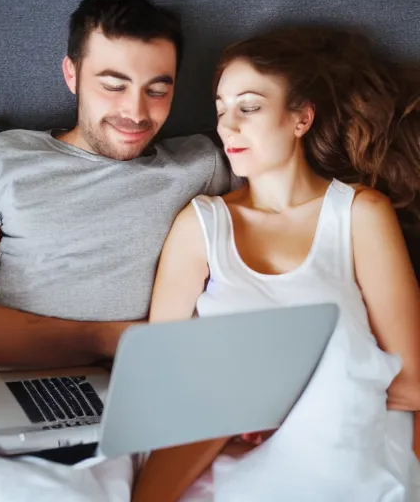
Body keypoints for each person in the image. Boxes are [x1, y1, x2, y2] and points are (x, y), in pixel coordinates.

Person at [0, 0, 234, 500]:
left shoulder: (203, 166)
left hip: (112, 396)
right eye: (113, 85)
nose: (135, 112)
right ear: (72, 74)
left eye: (157, 89)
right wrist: (110, 338)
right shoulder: (5, 159)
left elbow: (301, 186)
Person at [148, 26, 420, 499]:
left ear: (301, 119)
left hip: (346, 435)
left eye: (249, 107)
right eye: (221, 110)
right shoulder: (202, 224)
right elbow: (158, 377)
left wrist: (290, 402)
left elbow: (413, 381)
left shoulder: (359, 214)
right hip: (230, 446)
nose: (227, 126)